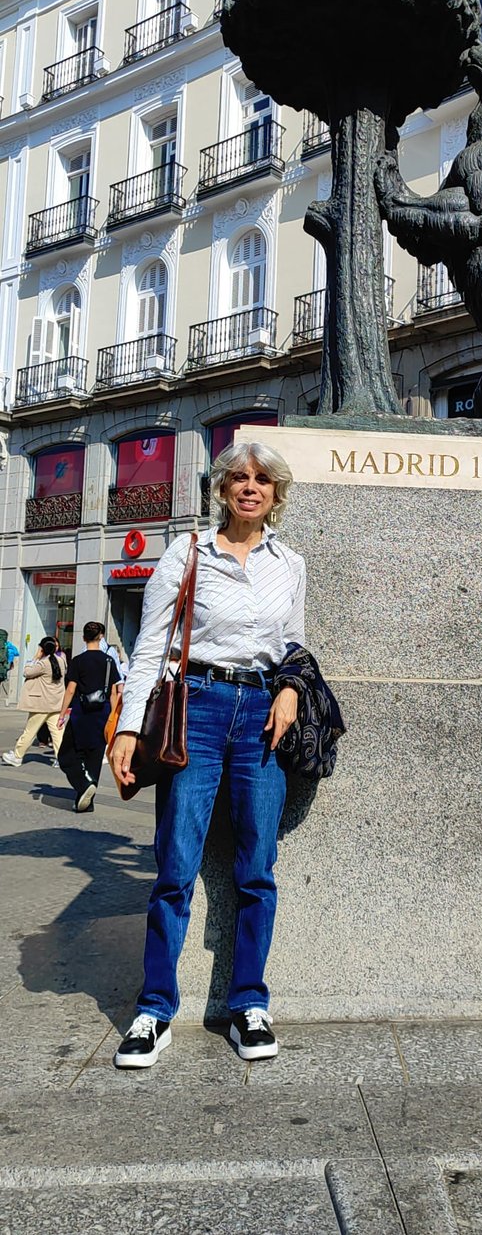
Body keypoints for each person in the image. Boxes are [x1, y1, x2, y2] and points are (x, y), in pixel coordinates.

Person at [110, 440, 306, 1069]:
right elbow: (149, 647)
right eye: (239, 478)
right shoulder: (188, 551)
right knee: (174, 866)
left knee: (257, 868)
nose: (250, 487)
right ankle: (154, 1010)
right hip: (197, 705)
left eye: (262, 480)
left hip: (262, 718)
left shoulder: (290, 564)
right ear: (221, 489)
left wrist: (290, 690)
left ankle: (249, 1003)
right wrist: (128, 730)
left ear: (276, 494)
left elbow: (294, 644)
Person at [57, 621, 121, 813]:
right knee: (94, 756)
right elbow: (114, 692)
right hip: (102, 714)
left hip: (81, 713)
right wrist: (112, 717)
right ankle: (87, 800)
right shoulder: (109, 661)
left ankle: (83, 785)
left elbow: (70, 689)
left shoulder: (78, 660)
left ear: (84, 638)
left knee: (67, 754)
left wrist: (62, 714)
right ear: (101, 636)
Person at [2, 637, 66, 767]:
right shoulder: (61, 661)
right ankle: (61, 758)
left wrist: (35, 657)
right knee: (58, 732)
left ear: (42, 648)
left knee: (30, 731)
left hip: (41, 704)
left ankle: (17, 756)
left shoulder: (42, 663)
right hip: (56, 703)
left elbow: (27, 672)